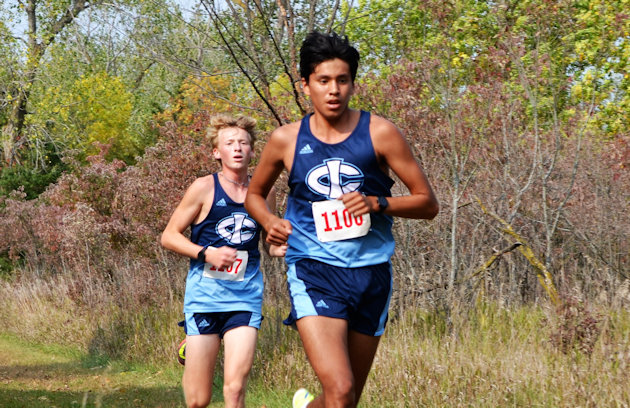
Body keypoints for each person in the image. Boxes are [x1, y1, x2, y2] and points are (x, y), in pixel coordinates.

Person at [244, 31, 439, 408]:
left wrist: (377, 203)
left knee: (345, 400)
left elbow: (427, 204)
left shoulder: (380, 133)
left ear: (352, 83)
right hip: (313, 270)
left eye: (342, 80)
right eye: (323, 81)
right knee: (341, 390)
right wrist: (268, 221)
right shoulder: (286, 139)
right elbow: (254, 194)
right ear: (305, 85)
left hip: (372, 274)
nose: (333, 90)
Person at [161, 113, 286, 408]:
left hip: (245, 297)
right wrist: (206, 253)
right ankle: (191, 343)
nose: (238, 148)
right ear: (217, 152)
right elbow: (169, 236)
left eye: (244, 143)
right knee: (198, 401)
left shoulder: (264, 193)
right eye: (230, 143)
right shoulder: (204, 188)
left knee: (234, 389)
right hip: (204, 298)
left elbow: (268, 242)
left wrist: (276, 249)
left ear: (253, 150)